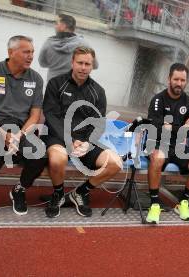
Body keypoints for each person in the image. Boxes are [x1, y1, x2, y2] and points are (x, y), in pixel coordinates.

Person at [42, 46, 121, 218]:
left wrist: (87, 143)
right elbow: (51, 115)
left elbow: (98, 123)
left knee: (115, 162)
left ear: (92, 66)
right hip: (59, 137)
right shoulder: (56, 84)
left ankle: (81, 192)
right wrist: (69, 139)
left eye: (87, 64)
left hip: (84, 141)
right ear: (72, 62)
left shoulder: (98, 91)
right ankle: (58, 194)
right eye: (80, 63)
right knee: (57, 159)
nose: (83, 67)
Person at [0, 35, 46, 216]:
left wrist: (18, 136)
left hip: (21, 130)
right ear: (10, 52)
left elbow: (35, 115)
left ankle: (19, 189)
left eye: (32, 52)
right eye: (26, 52)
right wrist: (2, 134)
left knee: (39, 155)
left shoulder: (36, 79)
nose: (30, 56)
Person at [146, 63, 189, 224]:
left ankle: (183, 202)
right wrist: (180, 128)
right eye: (176, 79)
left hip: (180, 147)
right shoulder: (158, 100)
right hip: (158, 143)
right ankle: (154, 204)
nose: (179, 83)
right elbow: (156, 128)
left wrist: (170, 127)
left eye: (183, 80)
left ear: (186, 81)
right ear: (169, 79)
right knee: (157, 158)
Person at [38, 14, 98, 82]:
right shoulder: (84, 44)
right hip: (73, 86)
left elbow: (42, 63)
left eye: (56, 23)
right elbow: (95, 66)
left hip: (52, 86)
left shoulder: (48, 43)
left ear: (63, 26)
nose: (55, 26)